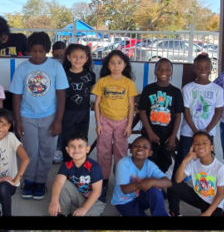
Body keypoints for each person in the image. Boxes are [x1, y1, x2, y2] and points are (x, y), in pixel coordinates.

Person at [11, 31, 68, 200]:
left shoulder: (55, 67)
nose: (37, 55)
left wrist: (58, 120)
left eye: (41, 51)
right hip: (26, 116)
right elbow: (16, 95)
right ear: (29, 50)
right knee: (29, 150)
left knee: (47, 151)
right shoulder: (22, 68)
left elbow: (61, 95)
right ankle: (28, 181)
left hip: (49, 116)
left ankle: (40, 182)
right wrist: (17, 120)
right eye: (34, 51)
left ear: (47, 50)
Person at [92, 50, 138, 189]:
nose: (116, 66)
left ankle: (120, 178)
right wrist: (98, 123)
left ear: (125, 65)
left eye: (119, 63)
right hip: (105, 121)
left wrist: (129, 125)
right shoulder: (102, 82)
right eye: (112, 63)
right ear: (108, 66)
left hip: (122, 122)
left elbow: (131, 106)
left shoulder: (129, 83)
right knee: (103, 151)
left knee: (121, 151)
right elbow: (97, 104)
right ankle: (103, 179)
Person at [137, 58, 184, 176]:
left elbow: (178, 115)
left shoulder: (176, 92)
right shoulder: (148, 89)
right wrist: (149, 132)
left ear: (172, 72)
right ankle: (148, 183)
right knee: (148, 159)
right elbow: (142, 111)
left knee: (165, 161)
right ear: (155, 71)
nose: (164, 71)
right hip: (150, 133)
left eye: (168, 69)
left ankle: (158, 184)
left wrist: (173, 136)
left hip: (167, 136)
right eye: (160, 69)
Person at [167, 131, 224, 217]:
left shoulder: (220, 168)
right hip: (198, 197)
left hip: (214, 203)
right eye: (196, 143)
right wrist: (185, 160)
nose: (200, 146)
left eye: (204, 143)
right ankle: (174, 213)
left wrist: (207, 213)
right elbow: (178, 180)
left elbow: (220, 195)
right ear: (192, 147)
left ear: (212, 147)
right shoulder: (193, 162)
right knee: (173, 185)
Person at [177, 53, 224, 164]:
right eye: (199, 67)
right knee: (183, 159)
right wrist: (195, 130)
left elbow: (218, 112)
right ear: (194, 69)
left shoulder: (217, 90)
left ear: (211, 69)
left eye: (206, 67)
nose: (203, 70)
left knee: (206, 160)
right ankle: (178, 181)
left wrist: (207, 131)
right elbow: (186, 111)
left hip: (208, 133)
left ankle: (204, 180)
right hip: (188, 132)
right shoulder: (188, 88)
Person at [110, 137, 172, 216]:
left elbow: (168, 183)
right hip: (124, 202)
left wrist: (151, 181)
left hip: (140, 198)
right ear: (131, 150)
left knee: (155, 189)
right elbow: (125, 189)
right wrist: (143, 183)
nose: (140, 148)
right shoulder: (123, 163)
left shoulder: (150, 165)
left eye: (145, 147)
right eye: (136, 146)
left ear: (150, 153)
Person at [48, 132, 105, 217]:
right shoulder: (66, 165)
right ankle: (64, 213)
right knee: (63, 184)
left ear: (87, 149)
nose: (76, 149)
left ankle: (94, 211)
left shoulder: (94, 167)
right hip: (79, 196)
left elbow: (97, 192)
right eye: (72, 146)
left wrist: (84, 209)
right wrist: (54, 201)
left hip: (96, 200)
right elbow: (58, 182)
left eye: (80, 146)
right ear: (67, 150)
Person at [57, 43, 97, 166]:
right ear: (68, 57)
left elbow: (91, 90)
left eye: (81, 57)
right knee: (67, 139)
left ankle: (80, 164)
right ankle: (67, 165)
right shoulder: (63, 74)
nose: (78, 60)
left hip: (84, 112)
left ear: (86, 59)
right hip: (67, 112)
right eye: (74, 56)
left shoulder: (90, 75)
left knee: (82, 138)